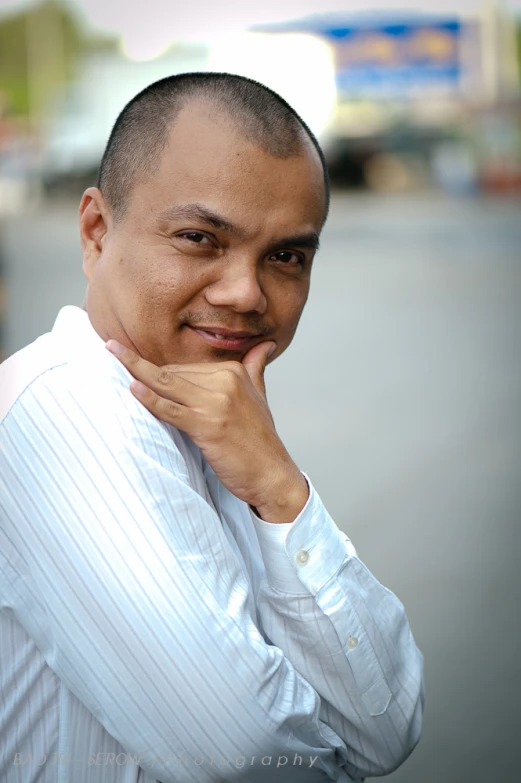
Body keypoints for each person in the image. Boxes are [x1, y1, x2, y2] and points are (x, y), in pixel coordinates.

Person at [0, 73, 424, 783]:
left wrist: (280, 489)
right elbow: (249, 761)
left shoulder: (219, 430)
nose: (246, 292)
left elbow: (385, 730)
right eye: (199, 238)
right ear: (97, 231)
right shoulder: (61, 413)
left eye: (286, 255)